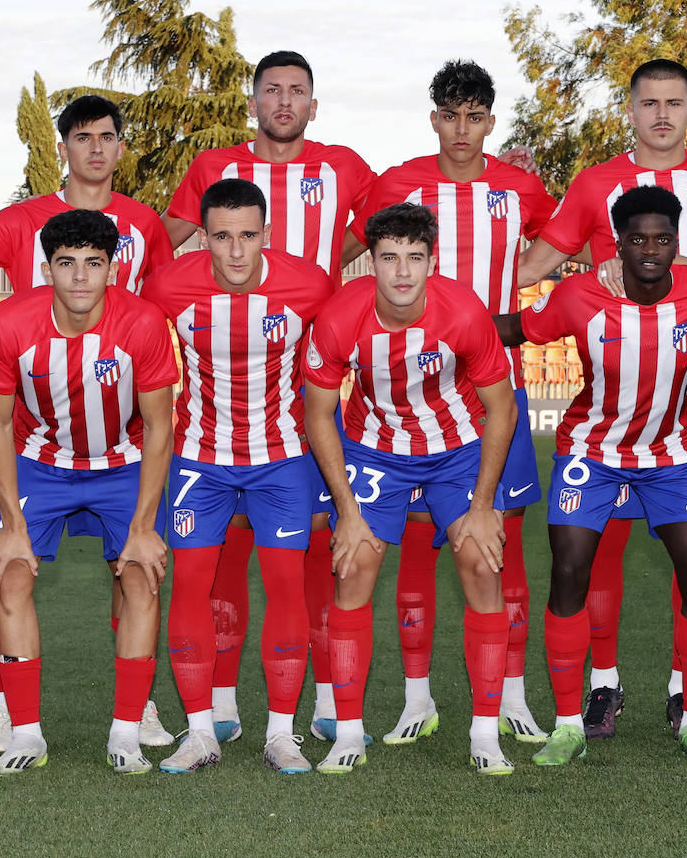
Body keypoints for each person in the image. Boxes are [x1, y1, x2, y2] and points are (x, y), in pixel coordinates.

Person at [513, 59, 687, 737]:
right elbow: (534, 262)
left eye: (674, 101)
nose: (662, 115)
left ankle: (685, 688)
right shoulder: (595, 183)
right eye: (649, 102)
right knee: (599, 550)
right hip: (612, 402)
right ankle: (603, 683)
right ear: (630, 108)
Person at [0, 94, 176, 751]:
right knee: (8, 566)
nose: (95, 148)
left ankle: (138, 706)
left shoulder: (143, 225)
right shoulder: (22, 219)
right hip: (39, 431)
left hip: (119, 436)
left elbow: (159, 303)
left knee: (135, 573)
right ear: (61, 147)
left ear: (121, 147)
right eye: (81, 136)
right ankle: (14, 710)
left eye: (106, 136)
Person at [162, 51, 376, 744]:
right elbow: (154, 255)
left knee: (313, 556)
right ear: (252, 103)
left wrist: (326, 270)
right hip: (212, 429)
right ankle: (218, 704)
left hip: (301, 401)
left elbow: (387, 221)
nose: (284, 101)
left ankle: (314, 699)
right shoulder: (211, 169)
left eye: (297, 92)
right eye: (272, 91)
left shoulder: (341, 166)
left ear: (314, 104)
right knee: (219, 561)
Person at [348, 60, 555, 745]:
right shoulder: (398, 183)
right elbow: (346, 244)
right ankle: (416, 698)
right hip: (408, 394)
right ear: (433, 117)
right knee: (411, 545)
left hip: (496, 387)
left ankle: (514, 696)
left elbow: (566, 237)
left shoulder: (521, 184)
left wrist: (509, 290)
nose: (462, 129)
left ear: (491, 122)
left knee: (500, 546)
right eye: (450, 114)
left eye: (475, 116)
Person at [302, 204, 519, 775]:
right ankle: (348, 733)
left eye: (415, 258)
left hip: (456, 447)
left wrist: (481, 506)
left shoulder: (463, 313)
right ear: (370, 261)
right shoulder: (339, 317)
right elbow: (318, 414)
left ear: (432, 260)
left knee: (480, 559)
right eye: (390, 258)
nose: (402, 272)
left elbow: (502, 409)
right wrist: (346, 512)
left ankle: (484, 733)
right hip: (375, 448)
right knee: (353, 565)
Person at [140, 179, 334, 775]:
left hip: (281, 460)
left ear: (267, 235)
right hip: (199, 460)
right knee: (191, 587)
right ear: (203, 238)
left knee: (286, 587)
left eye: (248, 236)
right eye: (222, 237)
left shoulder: (308, 283)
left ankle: (283, 734)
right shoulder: (170, 284)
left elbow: (345, 343)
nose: (236, 252)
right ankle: (200, 733)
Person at [0, 210, 178, 775]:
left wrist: (142, 528)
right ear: (47, 269)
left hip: (124, 463)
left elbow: (160, 425)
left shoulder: (142, 323)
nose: (81, 277)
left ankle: (125, 733)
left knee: (140, 577)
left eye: (94, 264)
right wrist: (13, 525)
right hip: (40, 462)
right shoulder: (11, 322)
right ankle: (26, 733)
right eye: (67, 264)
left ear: (112, 268)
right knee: (10, 576)